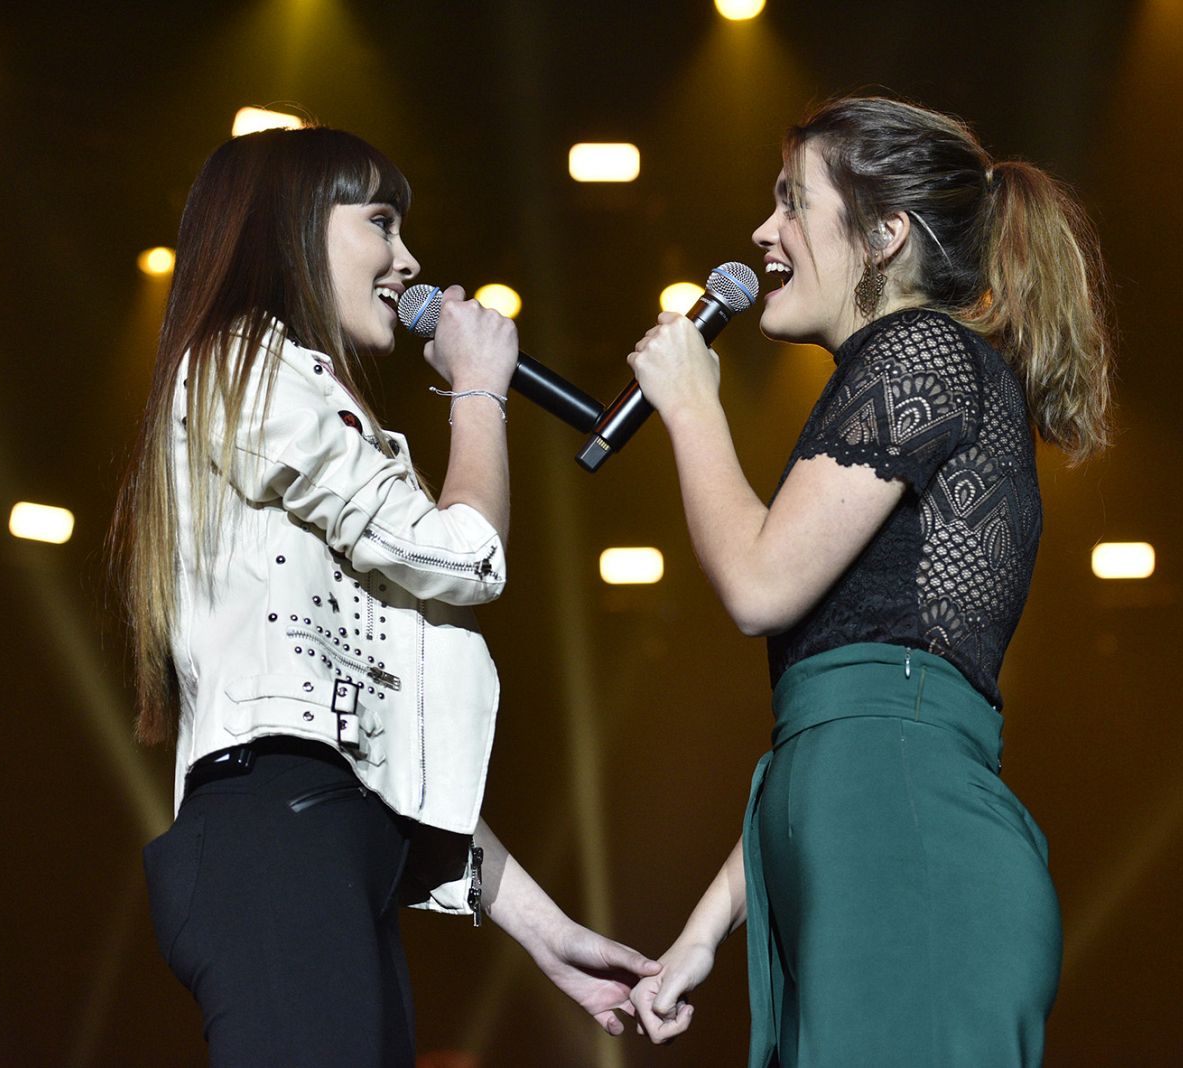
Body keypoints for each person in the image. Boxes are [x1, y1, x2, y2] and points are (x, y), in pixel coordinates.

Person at [109, 125, 656, 1067]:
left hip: (330, 846)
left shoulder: (320, 410)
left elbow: (383, 746)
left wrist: (544, 930)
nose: (409, 262)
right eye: (381, 222)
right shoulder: (239, 368)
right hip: (274, 837)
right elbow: (467, 556)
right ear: (291, 225)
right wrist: (479, 394)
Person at [624, 96, 1114, 1065]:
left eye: (792, 203)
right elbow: (841, 729)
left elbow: (764, 591)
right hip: (866, 848)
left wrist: (689, 407)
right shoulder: (900, 371)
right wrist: (703, 931)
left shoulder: (922, 352)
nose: (765, 232)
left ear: (885, 233)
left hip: (911, 862)